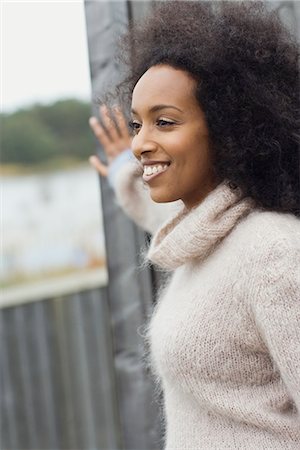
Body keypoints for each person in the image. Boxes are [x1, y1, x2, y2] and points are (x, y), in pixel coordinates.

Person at [89, 1, 300, 448]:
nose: (142, 141)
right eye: (136, 123)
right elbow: (165, 214)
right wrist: (127, 171)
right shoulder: (206, 236)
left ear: (229, 128)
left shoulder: (273, 251)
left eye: (164, 122)